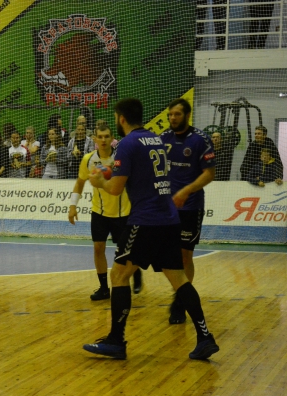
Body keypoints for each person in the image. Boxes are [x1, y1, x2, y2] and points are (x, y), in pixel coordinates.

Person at [82, 98, 219, 361]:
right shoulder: (155, 139)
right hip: (169, 219)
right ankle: (205, 337)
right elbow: (140, 169)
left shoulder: (127, 143)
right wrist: (110, 170)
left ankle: (116, 340)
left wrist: (99, 182)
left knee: (118, 275)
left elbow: (116, 189)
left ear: (121, 118)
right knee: (178, 278)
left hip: (146, 220)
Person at [68, 123, 143, 301]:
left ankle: (136, 273)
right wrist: (73, 206)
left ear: (112, 138)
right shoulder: (88, 159)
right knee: (98, 248)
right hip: (99, 212)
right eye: (100, 137)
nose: (103, 140)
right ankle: (103, 288)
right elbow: (80, 183)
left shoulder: (121, 157)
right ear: (94, 139)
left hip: (123, 212)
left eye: (106, 136)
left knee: (126, 251)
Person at [160, 98, 216, 325]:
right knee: (165, 256)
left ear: (187, 115)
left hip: (191, 206)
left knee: (185, 256)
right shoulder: (163, 138)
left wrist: (186, 191)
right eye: (170, 115)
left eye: (177, 114)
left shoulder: (200, 140)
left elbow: (209, 174)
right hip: (166, 207)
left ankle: (180, 302)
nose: (173, 118)